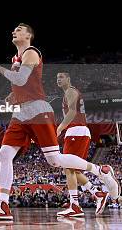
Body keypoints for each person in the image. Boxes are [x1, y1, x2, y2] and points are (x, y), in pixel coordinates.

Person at [0, 23, 119, 220]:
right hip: (21, 112)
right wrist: (12, 96)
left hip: (37, 110)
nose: (14, 32)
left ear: (28, 36)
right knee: (4, 153)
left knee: (54, 160)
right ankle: (3, 204)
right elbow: (22, 85)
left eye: (19, 30)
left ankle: (100, 171)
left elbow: (20, 79)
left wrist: (0, 70)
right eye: (13, 30)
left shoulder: (31, 52)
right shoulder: (15, 58)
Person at [55, 72, 109, 217]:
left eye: (61, 77)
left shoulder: (71, 91)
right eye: (57, 77)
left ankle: (75, 206)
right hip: (79, 132)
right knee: (74, 171)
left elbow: (72, 112)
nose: (58, 80)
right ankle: (97, 193)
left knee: (69, 169)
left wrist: (59, 129)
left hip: (76, 131)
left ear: (68, 78)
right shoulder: (69, 93)